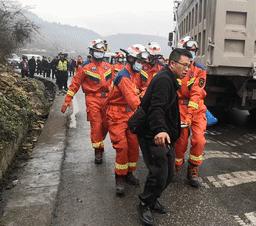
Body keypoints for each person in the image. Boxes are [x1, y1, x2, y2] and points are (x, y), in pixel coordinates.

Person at [135, 48, 192, 226]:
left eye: (189, 66)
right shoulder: (163, 80)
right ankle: (144, 203)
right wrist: (160, 129)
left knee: (168, 174)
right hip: (152, 134)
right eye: (184, 65)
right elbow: (156, 108)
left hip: (164, 135)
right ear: (172, 63)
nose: (187, 69)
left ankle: (153, 199)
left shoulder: (170, 79)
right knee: (159, 173)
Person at [106, 45, 150, 196]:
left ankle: (129, 172)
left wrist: (143, 92)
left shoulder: (136, 74)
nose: (142, 64)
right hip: (117, 114)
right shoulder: (124, 76)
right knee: (122, 146)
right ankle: (120, 177)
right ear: (130, 59)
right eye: (139, 61)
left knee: (133, 145)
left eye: (143, 61)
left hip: (129, 114)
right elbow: (134, 101)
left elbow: (145, 87)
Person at [61, 39, 113, 164]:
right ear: (91, 52)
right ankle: (98, 151)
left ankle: (99, 142)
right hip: (92, 99)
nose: (100, 53)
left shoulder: (108, 67)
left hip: (107, 99)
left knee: (106, 125)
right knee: (96, 125)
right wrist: (67, 100)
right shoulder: (85, 68)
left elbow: (117, 83)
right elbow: (74, 85)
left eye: (101, 51)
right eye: (97, 51)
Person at [174, 36, 208, 188]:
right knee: (180, 140)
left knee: (199, 140)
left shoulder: (200, 69)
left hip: (196, 108)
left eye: (194, 51)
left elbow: (196, 92)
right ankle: (176, 166)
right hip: (179, 106)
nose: (191, 54)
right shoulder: (176, 68)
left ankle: (193, 169)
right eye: (188, 51)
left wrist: (189, 114)